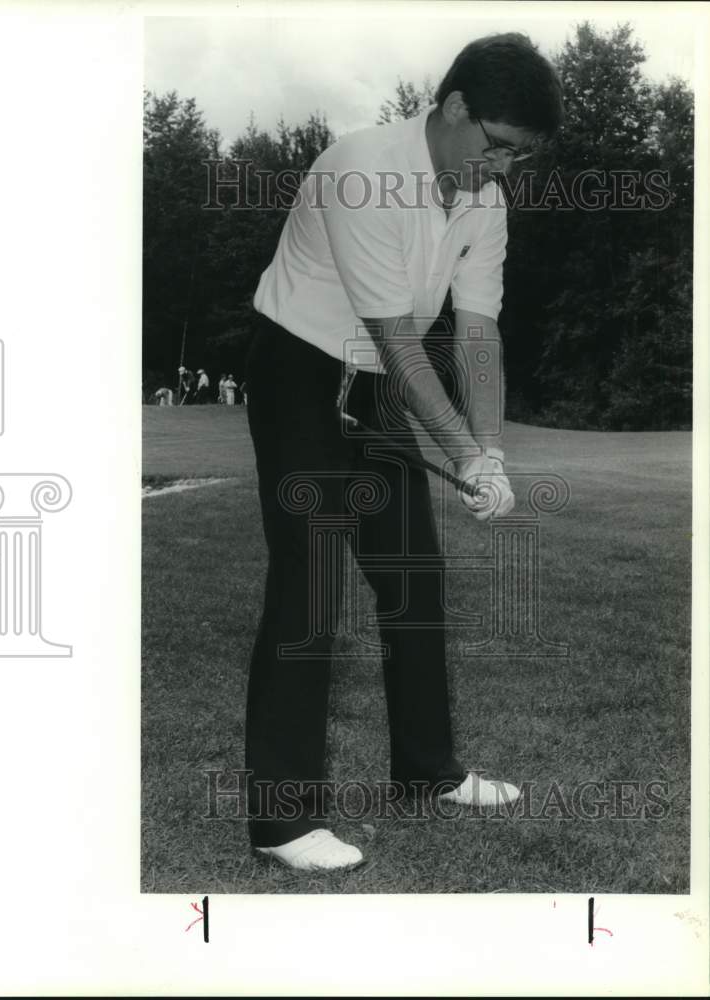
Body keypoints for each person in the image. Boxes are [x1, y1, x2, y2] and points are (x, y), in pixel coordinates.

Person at [244, 33, 563, 871]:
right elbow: (399, 343)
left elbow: (479, 333)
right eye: (497, 147)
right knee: (309, 575)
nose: (502, 171)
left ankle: (426, 774)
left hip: (378, 376)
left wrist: (487, 449)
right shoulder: (362, 172)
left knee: (413, 575)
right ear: (453, 108)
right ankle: (281, 822)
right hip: (300, 366)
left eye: (519, 159)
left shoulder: (485, 201)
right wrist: (462, 455)